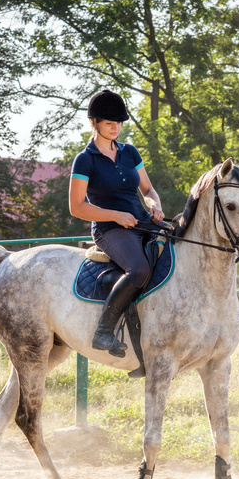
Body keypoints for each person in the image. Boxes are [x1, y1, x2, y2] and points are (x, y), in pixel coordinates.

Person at [69, 89, 165, 356]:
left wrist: (154, 205)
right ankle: (103, 332)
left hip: (142, 222)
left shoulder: (129, 152)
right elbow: (77, 207)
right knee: (138, 270)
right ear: (94, 123)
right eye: (109, 123)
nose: (115, 128)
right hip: (109, 228)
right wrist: (115, 215)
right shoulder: (85, 160)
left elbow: (148, 190)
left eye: (119, 123)